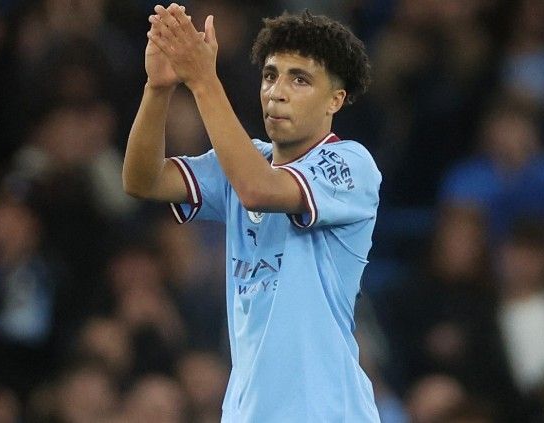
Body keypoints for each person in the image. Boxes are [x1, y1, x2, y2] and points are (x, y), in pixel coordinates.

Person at [123, 3, 379, 422]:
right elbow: (142, 181)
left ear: (336, 98)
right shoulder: (245, 161)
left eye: (300, 79)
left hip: (326, 411)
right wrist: (159, 89)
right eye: (270, 75)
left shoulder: (351, 165)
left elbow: (258, 189)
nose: (277, 91)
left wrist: (204, 80)